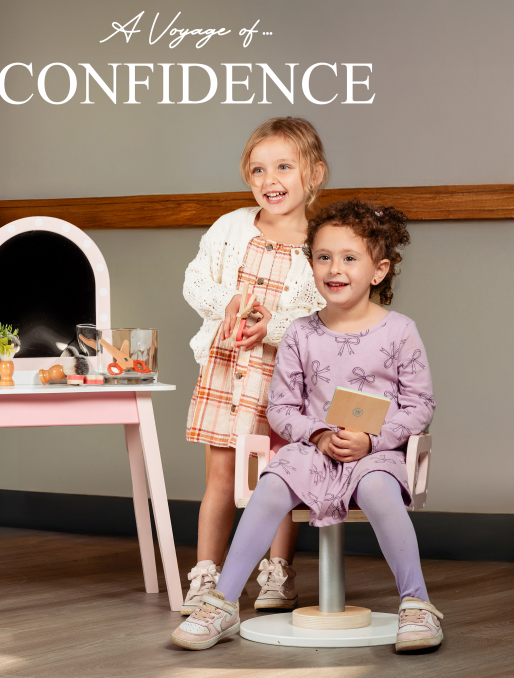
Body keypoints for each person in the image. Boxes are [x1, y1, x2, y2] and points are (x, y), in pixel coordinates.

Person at [172, 199, 444, 652]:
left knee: (377, 488)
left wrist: (372, 439)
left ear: (378, 271)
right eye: (323, 257)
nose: (334, 268)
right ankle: (222, 603)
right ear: (312, 264)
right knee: (273, 483)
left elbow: (419, 406)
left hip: (374, 454)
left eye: (349, 258)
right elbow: (280, 407)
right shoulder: (300, 332)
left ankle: (417, 605)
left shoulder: (400, 331)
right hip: (313, 451)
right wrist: (316, 434)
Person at [181, 117, 328, 614]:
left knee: (276, 476)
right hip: (227, 369)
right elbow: (196, 281)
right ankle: (207, 574)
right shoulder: (231, 227)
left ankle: (277, 572)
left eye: (284, 166)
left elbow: (320, 315)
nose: (270, 180)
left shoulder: (320, 242)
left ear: (315, 174)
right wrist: (227, 303)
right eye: (258, 169)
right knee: (221, 478)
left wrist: (275, 326)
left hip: (282, 380)